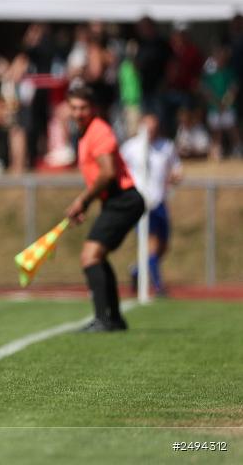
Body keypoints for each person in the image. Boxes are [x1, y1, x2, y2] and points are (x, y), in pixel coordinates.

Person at [64, 82, 145, 332]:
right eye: (74, 108)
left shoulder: (99, 130)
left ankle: (103, 319)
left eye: (83, 108)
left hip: (124, 200)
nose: (78, 113)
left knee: (90, 256)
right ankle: (114, 319)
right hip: (115, 201)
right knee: (97, 256)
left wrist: (83, 200)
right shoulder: (85, 134)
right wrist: (86, 204)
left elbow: (108, 173)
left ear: (93, 108)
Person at [120, 114, 182, 297]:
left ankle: (137, 271)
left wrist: (175, 177)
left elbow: (176, 167)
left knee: (163, 246)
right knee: (152, 245)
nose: (151, 131)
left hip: (159, 202)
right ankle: (158, 286)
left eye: (154, 127)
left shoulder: (166, 146)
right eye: (148, 127)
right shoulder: (131, 147)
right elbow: (118, 168)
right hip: (141, 204)